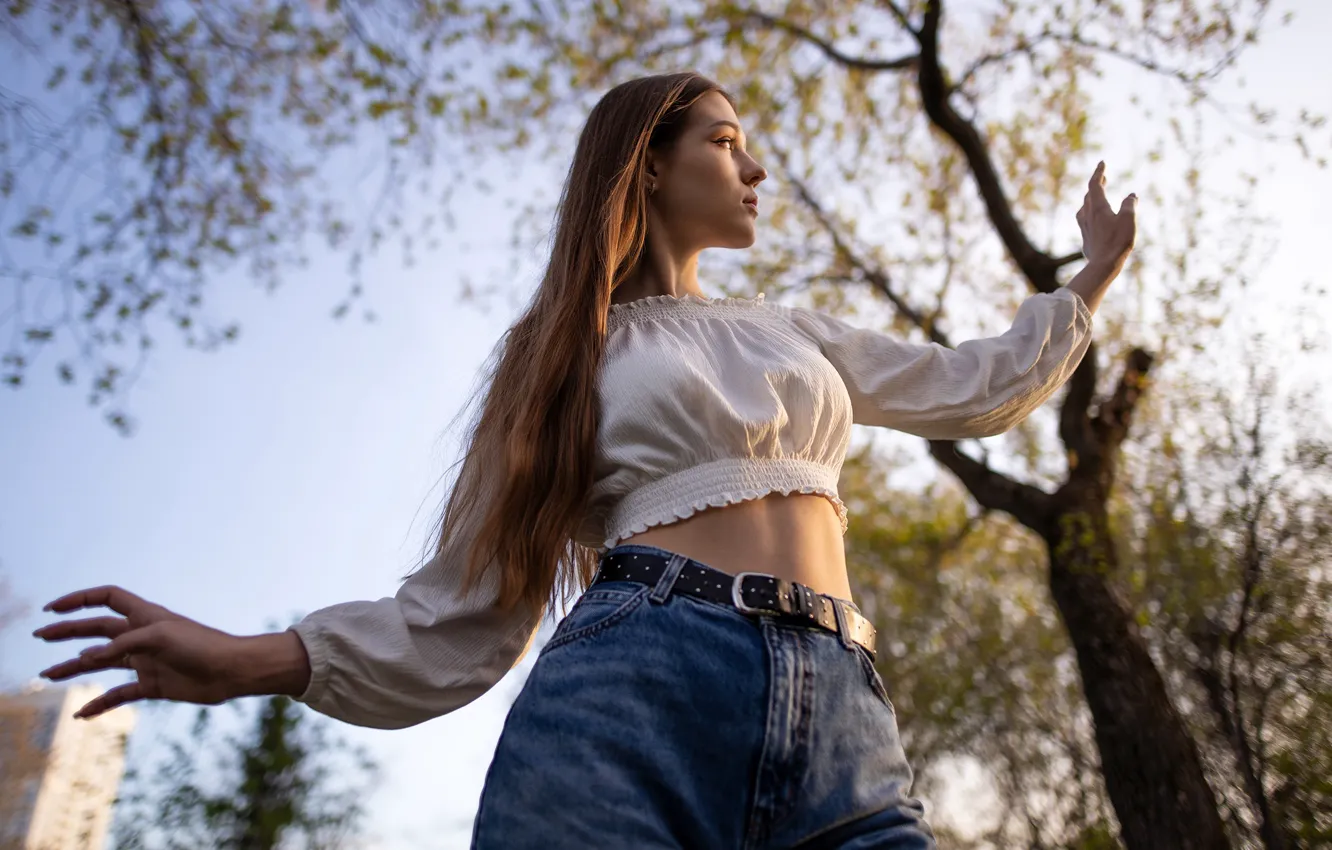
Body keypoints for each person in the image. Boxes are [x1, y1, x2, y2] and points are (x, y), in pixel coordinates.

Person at [33, 71, 1136, 848]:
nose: (753, 166)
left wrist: (1087, 278)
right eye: (722, 139)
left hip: (848, 709)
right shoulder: (565, 349)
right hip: (637, 684)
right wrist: (256, 658)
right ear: (646, 164)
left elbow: (975, 387)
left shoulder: (793, 331)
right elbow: (464, 606)